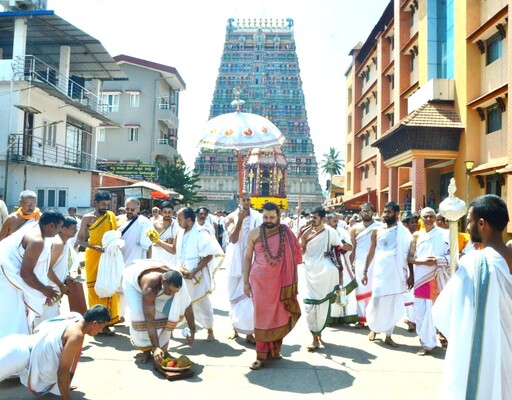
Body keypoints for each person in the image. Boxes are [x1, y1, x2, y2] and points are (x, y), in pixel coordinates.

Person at [432, 194, 512, 399]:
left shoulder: (477, 263)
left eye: (469, 221)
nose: (467, 227)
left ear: (482, 224)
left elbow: (448, 311)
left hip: (485, 352)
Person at [0, 305, 110, 399]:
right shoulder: (77, 336)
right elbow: (62, 372)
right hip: (18, 354)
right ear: (94, 323)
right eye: (102, 326)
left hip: (17, 341)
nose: (100, 331)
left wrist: (61, 385)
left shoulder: (74, 316)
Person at [243, 202, 302, 370]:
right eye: (265, 217)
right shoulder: (254, 233)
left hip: (281, 282)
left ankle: (275, 350)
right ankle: (260, 355)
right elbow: (247, 258)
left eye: (272, 217)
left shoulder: (286, 233)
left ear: (279, 216)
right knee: (262, 317)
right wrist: (245, 282)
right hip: (260, 282)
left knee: (280, 314)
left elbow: (296, 254)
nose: (268, 220)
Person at [0, 210, 64, 338]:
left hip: (9, 275)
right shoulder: (37, 241)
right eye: (60, 227)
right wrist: (45, 290)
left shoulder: (34, 225)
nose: (60, 231)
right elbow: (26, 274)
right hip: (7, 279)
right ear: (51, 225)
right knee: (13, 320)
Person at [123, 261, 195, 364]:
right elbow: (149, 318)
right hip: (133, 284)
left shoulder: (179, 283)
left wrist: (192, 330)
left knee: (168, 314)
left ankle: (163, 349)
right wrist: (155, 347)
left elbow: (187, 305)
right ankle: (146, 350)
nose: (171, 294)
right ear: (164, 281)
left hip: (157, 277)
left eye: (175, 292)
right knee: (139, 314)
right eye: (170, 291)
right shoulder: (150, 288)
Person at [363, 201, 412, 347]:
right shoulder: (376, 231)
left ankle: (388, 335)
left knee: (393, 303)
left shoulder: (403, 232)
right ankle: (374, 329)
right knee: (377, 301)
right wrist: (365, 271)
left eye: (388, 212)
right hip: (381, 271)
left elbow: (408, 254)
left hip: (396, 272)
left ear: (397, 214)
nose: (385, 215)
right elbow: (371, 251)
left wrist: (411, 275)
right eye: (384, 212)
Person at [174, 207, 224, 342]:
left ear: (188, 220)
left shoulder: (201, 233)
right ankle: (171, 329)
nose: (177, 221)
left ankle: (210, 330)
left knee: (202, 303)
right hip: (183, 274)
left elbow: (209, 256)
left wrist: (194, 271)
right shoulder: (180, 232)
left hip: (197, 276)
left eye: (179, 219)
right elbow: (175, 251)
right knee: (178, 302)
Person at [76, 191, 120, 334]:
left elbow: (115, 236)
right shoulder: (87, 218)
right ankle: (95, 324)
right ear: (95, 203)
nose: (106, 207)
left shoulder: (111, 216)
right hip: (93, 257)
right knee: (95, 289)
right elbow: (79, 240)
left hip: (108, 257)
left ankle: (107, 323)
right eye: (103, 204)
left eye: (108, 204)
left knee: (108, 287)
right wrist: (93, 247)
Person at [407, 207, 450, 355]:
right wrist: (423, 262)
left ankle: (437, 341)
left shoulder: (445, 234)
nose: (428, 219)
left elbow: (454, 257)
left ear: (435, 217)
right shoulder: (417, 236)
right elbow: (410, 258)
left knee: (436, 311)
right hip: (421, 278)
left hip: (438, 277)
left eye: (431, 216)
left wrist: (439, 260)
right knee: (420, 312)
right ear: (421, 218)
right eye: (425, 216)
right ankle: (426, 342)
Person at [300, 207, 342, 351]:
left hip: (325, 273)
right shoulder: (306, 233)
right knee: (310, 306)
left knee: (322, 305)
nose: (312, 219)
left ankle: (318, 336)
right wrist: (302, 234)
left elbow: (340, 248)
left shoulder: (331, 232)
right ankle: (314, 336)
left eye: (316, 217)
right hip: (310, 272)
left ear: (323, 219)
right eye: (311, 216)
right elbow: (301, 250)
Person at [224, 194, 262, 344]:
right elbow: (233, 239)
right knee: (233, 296)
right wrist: (240, 219)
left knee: (250, 298)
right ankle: (234, 327)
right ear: (238, 201)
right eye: (243, 200)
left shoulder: (257, 217)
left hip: (252, 261)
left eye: (248, 199)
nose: (246, 202)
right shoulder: (231, 218)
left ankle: (249, 332)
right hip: (234, 262)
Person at [41, 216, 80, 321]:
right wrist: (60, 285)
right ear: (63, 229)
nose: (76, 230)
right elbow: (47, 269)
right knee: (47, 324)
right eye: (73, 228)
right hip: (48, 289)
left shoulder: (65, 243)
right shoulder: (58, 243)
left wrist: (67, 277)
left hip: (52, 288)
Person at [349, 203, 380, 329]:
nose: (366, 213)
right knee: (361, 290)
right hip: (360, 263)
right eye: (363, 211)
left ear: (373, 212)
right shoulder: (354, 229)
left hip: (376, 262)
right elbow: (352, 248)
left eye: (368, 211)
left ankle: (373, 319)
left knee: (375, 290)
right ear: (360, 213)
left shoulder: (379, 227)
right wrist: (350, 264)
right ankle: (361, 319)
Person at [150, 201, 179, 267]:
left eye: (169, 212)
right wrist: (166, 242)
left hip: (170, 258)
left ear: (172, 213)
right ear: (161, 212)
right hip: (156, 256)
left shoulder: (176, 225)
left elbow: (174, 248)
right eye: (165, 212)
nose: (167, 215)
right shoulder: (154, 224)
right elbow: (150, 242)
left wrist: (157, 241)